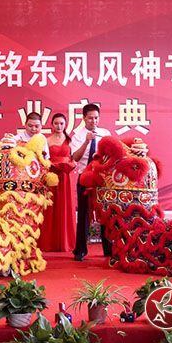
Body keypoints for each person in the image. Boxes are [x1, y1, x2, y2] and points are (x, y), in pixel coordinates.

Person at [70, 103, 111, 261]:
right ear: (84, 118)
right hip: (84, 177)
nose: (93, 121)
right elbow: (75, 158)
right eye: (90, 118)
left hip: (102, 178)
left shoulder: (105, 134)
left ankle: (108, 249)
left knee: (105, 212)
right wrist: (86, 142)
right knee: (84, 213)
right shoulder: (78, 136)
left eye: (96, 118)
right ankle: (80, 250)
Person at [37, 113, 76, 252]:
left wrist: (71, 164)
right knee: (51, 208)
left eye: (61, 123)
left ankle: (65, 242)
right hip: (52, 176)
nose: (59, 126)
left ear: (65, 125)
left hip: (65, 176)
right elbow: (44, 159)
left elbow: (74, 158)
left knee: (65, 206)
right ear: (52, 125)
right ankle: (49, 243)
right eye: (56, 123)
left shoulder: (70, 140)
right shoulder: (46, 140)